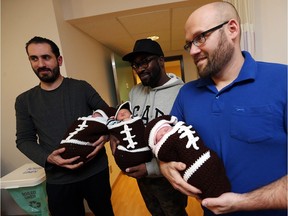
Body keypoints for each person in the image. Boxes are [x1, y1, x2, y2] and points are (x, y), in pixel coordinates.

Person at [159, 2, 287, 216]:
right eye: (188, 43)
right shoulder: (186, 94)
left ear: (232, 29)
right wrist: (164, 164)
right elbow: (169, 142)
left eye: (200, 37)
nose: (192, 51)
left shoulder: (283, 80)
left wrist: (242, 202)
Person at [15, 36, 114, 216]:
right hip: (58, 179)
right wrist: (48, 158)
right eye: (34, 58)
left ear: (59, 60)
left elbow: (109, 115)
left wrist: (106, 137)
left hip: (95, 171)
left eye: (46, 57)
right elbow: (23, 140)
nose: (40, 64)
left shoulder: (81, 88)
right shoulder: (24, 101)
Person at [111, 38, 188, 215]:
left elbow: (184, 142)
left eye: (145, 61)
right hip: (142, 175)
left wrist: (151, 168)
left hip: (168, 175)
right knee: (155, 212)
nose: (139, 69)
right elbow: (126, 120)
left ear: (161, 60)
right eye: (135, 65)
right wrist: (115, 134)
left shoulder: (182, 93)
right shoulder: (134, 92)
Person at [145, 115, 231, 199]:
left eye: (166, 129)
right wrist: (163, 165)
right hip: (193, 170)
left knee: (218, 180)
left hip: (209, 157)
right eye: (160, 136)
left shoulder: (180, 127)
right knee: (208, 192)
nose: (164, 133)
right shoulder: (166, 147)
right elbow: (163, 155)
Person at [107, 101, 153, 171]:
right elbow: (110, 125)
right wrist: (111, 119)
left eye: (125, 111)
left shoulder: (136, 120)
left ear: (131, 114)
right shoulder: (116, 124)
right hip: (126, 151)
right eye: (119, 113)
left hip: (143, 149)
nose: (122, 113)